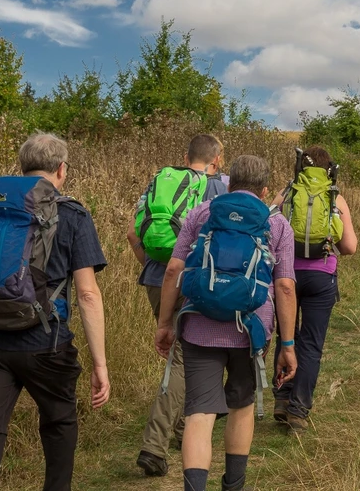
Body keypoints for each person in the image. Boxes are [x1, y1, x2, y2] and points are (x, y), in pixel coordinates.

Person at [0, 133, 111, 491]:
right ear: (61, 169)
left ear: (22, 168)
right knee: (59, 423)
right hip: (46, 344)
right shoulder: (72, 214)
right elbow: (87, 294)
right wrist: (100, 365)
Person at [154, 155, 298, 491]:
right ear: (264, 190)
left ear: (230, 184)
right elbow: (286, 286)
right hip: (251, 330)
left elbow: (174, 270)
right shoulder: (277, 224)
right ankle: (233, 486)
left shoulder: (202, 213)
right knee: (242, 405)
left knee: (200, 412)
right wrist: (288, 345)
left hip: (198, 324)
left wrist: (165, 323)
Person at [130, 134, 227, 477]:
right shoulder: (218, 188)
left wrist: (149, 265)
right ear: (218, 159)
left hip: (156, 281)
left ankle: (184, 427)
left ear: (186, 156)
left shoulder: (159, 183)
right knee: (184, 359)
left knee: (180, 355)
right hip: (190, 282)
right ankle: (153, 445)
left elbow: (132, 233)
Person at [270, 146, 358, 432]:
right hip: (322, 277)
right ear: (329, 169)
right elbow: (350, 247)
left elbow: (266, 233)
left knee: (287, 335)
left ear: (299, 168)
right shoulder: (336, 198)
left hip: (285, 276)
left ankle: (282, 399)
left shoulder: (285, 195)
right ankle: (299, 410)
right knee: (311, 343)